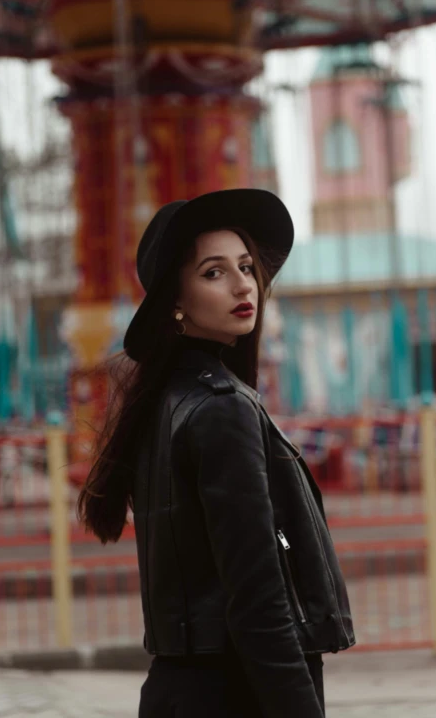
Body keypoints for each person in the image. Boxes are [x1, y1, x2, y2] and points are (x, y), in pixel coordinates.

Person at [77, 188, 355, 718]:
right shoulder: (220, 409)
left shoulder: (164, 401)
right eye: (213, 272)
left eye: (246, 266)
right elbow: (256, 596)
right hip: (234, 692)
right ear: (174, 301)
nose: (241, 284)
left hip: (179, 690)